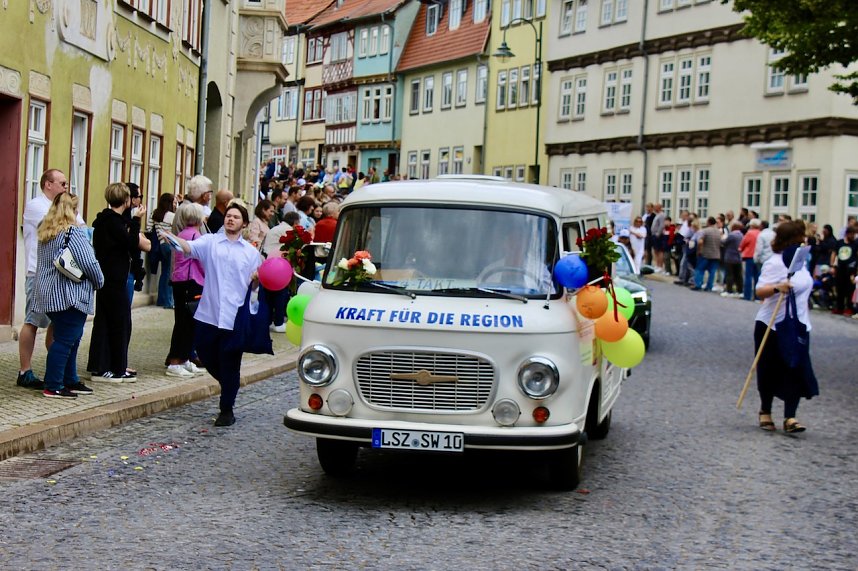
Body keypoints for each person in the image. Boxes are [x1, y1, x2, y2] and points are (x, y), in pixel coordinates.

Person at [161, 203, 263, 426]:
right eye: (228, 216)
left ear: (244, 223)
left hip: (234, 316)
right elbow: (187, 247)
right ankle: (229, 383)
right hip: (209, 313)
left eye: (236, 217)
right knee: (206, 356)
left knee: (230, 361)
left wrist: (256, 279)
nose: (230, 219)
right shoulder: (210, 243)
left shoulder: (251, 253)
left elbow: (255, 288)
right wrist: (170, 237)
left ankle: (227, 409)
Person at [33, 193, 104, 398]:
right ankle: (53, 384)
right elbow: (88, 262)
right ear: (73, 210)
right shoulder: (73, 233)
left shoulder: (46, 231)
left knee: (70, 337)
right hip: (69, 295)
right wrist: (100, 281)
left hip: (49, 294)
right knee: (65, 341)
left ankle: (69, 379)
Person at [18, 168, 82, 390]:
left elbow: (79, 227)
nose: (66, 187)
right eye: (62, 183)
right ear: (48, 184)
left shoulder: (59, 206)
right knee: (33, 321)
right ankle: (24, 370)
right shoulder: (37, 205)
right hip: (39, 273)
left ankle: (57, 369)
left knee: (58, 323)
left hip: (59, 276)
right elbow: (64, 227)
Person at [754, 220, 818, 433]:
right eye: (802, 237)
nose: (805, 240)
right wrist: (776, 288)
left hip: (798, 326)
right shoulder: (775, 262)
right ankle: (765, 410)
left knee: (795, 369)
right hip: (772, 325)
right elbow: (759, 291)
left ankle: (790, 417)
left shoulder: (800, 260)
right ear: (792, 239)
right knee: (769, 370)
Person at [87, 183, 147, 382]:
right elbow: (131, 244)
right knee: (117, 323)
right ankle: (114, 367)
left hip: (107, 276)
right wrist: (137, 221)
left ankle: (102, 365)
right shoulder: (113, 222)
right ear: (126, 200)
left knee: (105, 321)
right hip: (114, 278)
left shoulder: (104, 220)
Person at [164, 203, 207, 378]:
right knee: (186, 323)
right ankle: (176, 361)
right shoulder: (197, 236)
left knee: (186, 322)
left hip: (180, 281)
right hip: (191, 281)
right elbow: (203, 262)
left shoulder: (183, 233)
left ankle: (185, 359)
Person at [148, 192, 177, 309]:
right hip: (170, 244)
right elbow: (177, 230)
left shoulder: (155, 214)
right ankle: (168, 301)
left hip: (161, 244)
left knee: (164, 272)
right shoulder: (172, 216)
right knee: (170, 274)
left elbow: (149, 228)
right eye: (174, 202)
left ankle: (161, 299)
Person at [831, 226, 857, 316]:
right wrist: (832, 265)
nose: (854, 236)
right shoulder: (839, 243)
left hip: (851, 269)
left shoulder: (855, 244)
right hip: (840, 268)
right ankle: (839, 308)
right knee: (840, 288)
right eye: (852, 234)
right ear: (847, 234)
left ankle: (849, 308)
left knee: (849, 289)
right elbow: (834, 253)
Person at [692, 217, 721, 291]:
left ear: (708, 222)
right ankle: (709, 286)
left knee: (700, 269)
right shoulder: (718, 232)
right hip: (716, 254)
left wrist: (699, 250)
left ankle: (698, 284)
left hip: (705, 253)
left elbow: (700, 242)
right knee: (712, 271)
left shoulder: (705, 231)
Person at [721, 221, 744, 298]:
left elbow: (724, 242)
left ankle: (729, 291)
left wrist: (722, 237)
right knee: (738, 275)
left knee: (729, 275)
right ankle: (740, 291)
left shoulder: (731, 235)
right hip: (738, 257)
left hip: (730, 257)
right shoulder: (741, 235)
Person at [739, 219, 761, 301]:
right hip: (758, 257)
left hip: (749, 256)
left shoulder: (749, 233)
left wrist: (741, 249)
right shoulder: (760, 233)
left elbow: (743, 244)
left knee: (748, 276)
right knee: (757, 277)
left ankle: (747, 295)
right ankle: (757, 296)